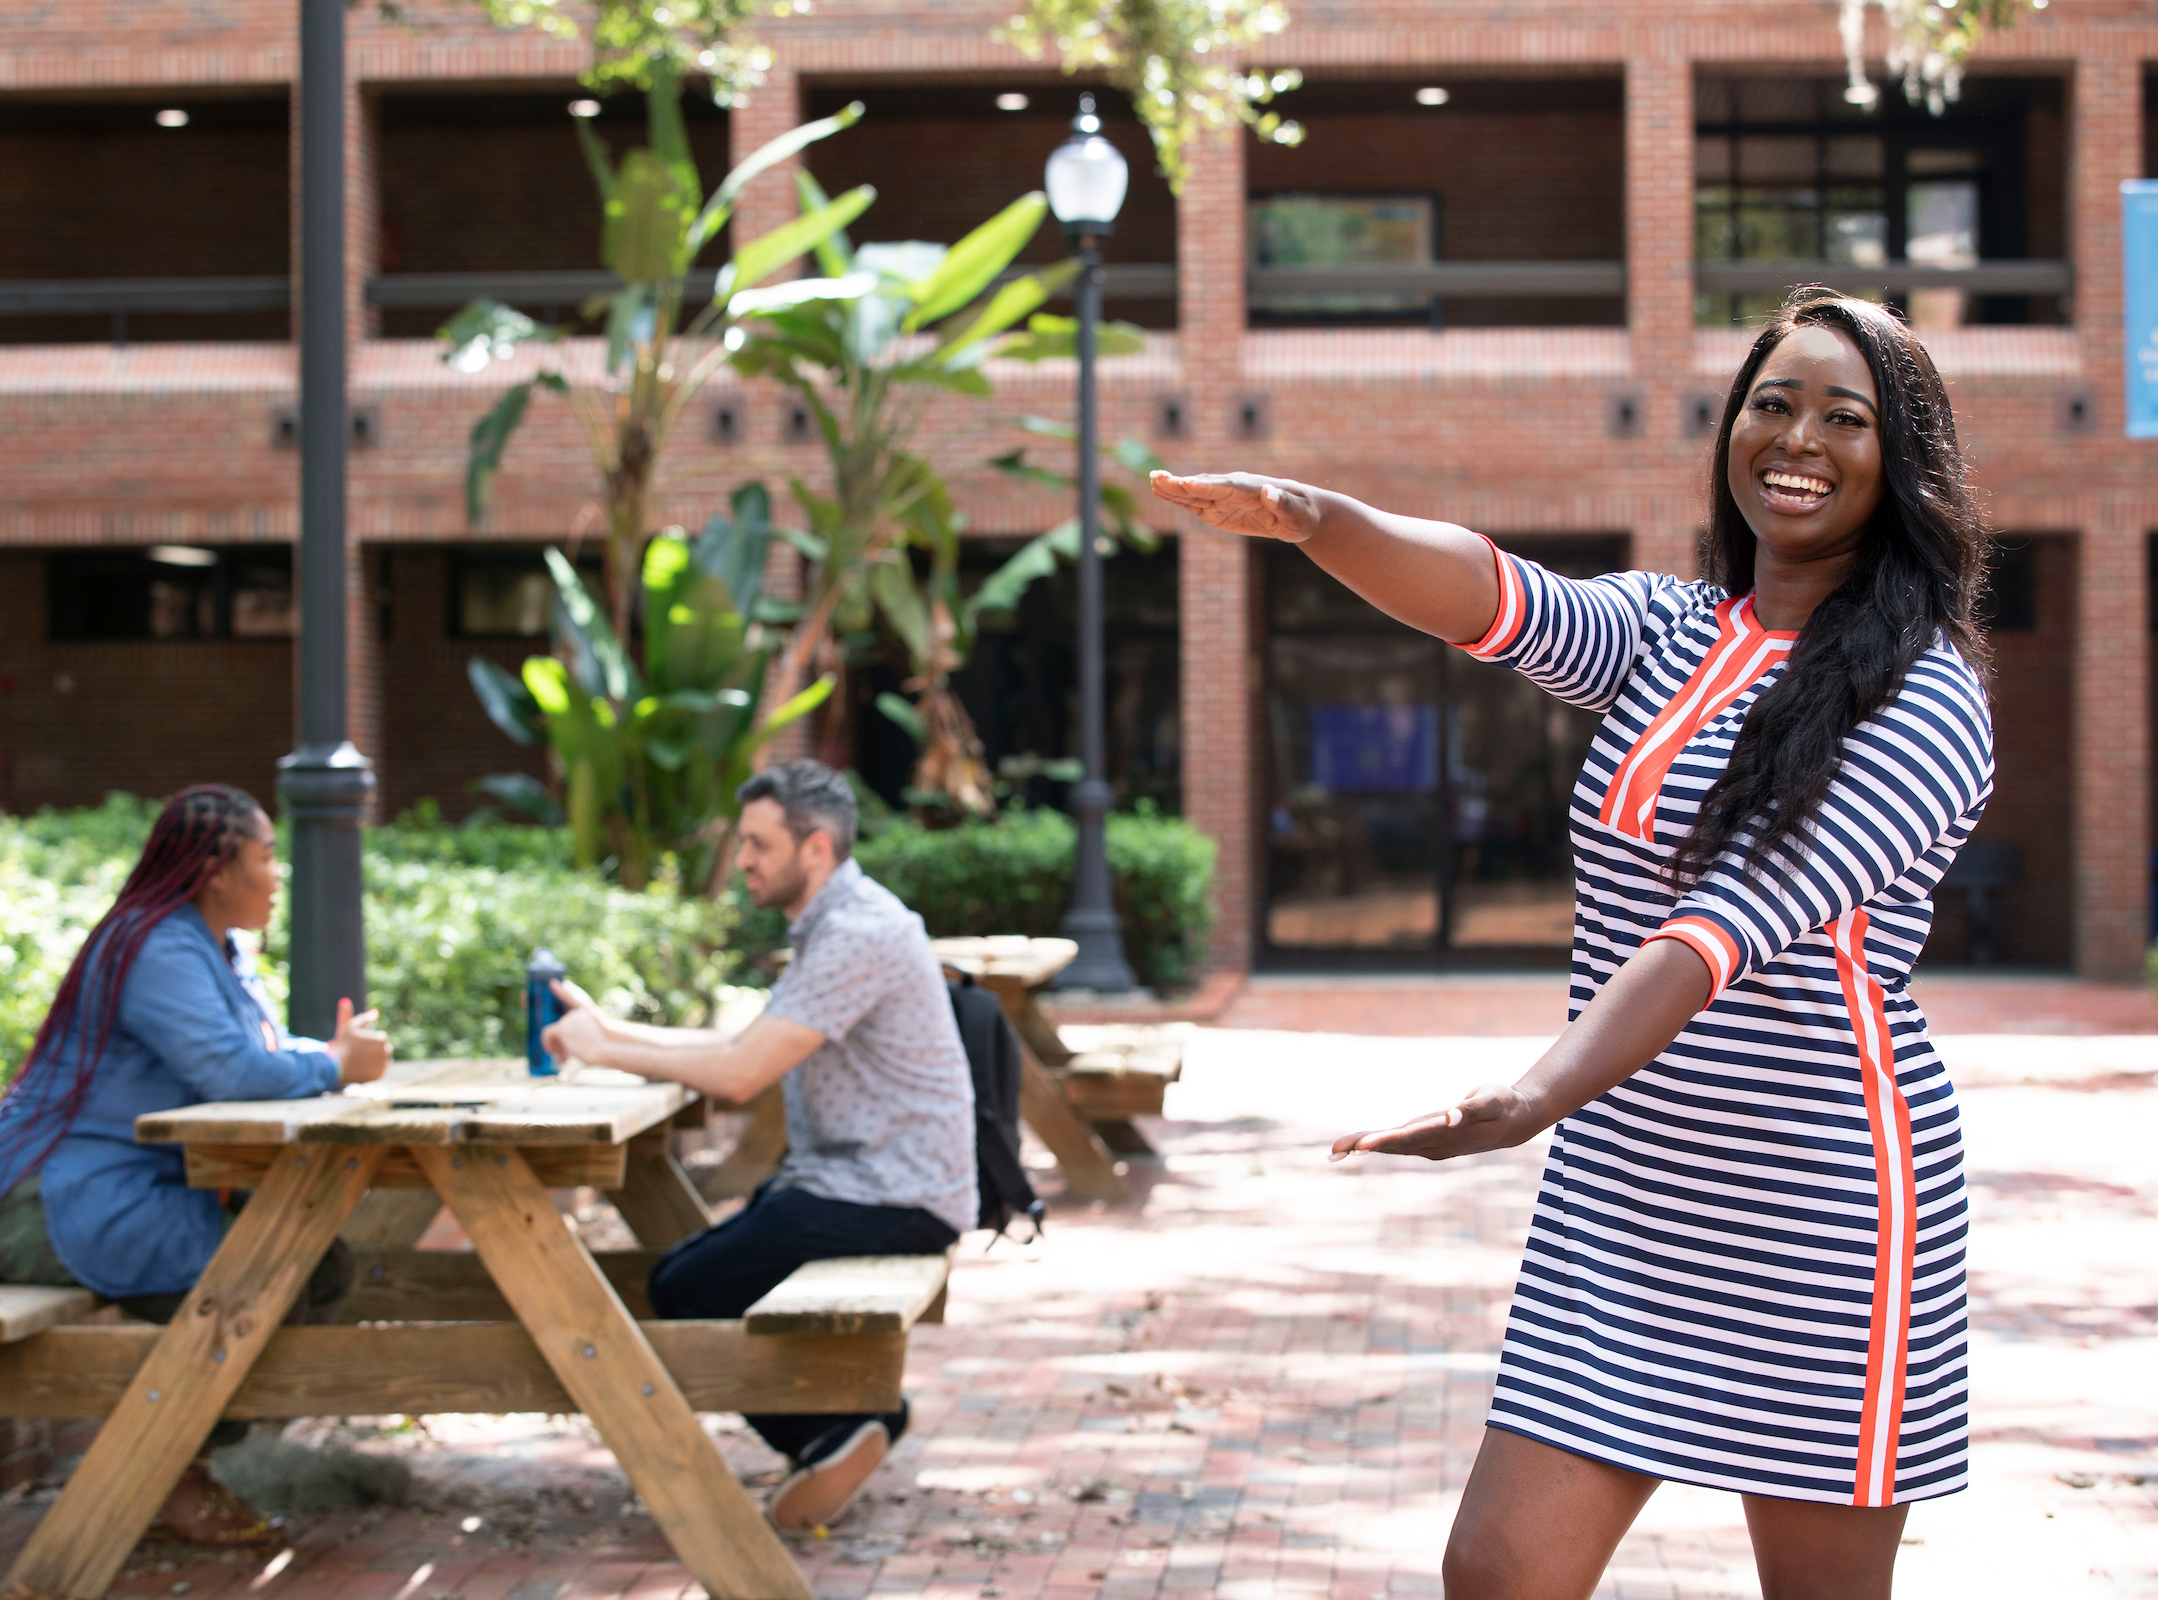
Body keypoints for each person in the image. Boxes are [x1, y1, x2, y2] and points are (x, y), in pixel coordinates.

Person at [1153, 289, 1993, 1600]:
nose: (1800, 438)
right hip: (1625, 1187)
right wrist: (1317, 519)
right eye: (1773, 402)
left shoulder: (1928, 694)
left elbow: (1725, 926)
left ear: (1903, 461)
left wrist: (1532, 1093)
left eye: (1848, 416)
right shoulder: (1671, 634)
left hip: (1820, 1209)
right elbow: (1496, 596)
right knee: (1497, 1571)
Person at [541, 760, 976, 1532]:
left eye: (758, 844)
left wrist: (606, 1051)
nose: (742, 860)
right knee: (684, 1271)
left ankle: (839, 1426)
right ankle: (852, 1419)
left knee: (686, 1286)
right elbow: (745, 1045)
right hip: (866, 1183)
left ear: (816, 849)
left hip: (894, 1195)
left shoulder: (856, 935)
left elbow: (740, 1074)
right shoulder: (836, 924)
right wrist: (604, 1030)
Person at [0, 784, 392, 1541]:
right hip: (51, 1201)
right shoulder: (155, 944)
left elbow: (263, 1050)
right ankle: (162, 1471)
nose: (278, 872)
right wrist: (336, 1064)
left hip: (127, 1190)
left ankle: (172, 1457)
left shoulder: (215, 943)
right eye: (266, 856)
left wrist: (327, 1057)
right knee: (266, 1275)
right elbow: (232, 1072)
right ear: (218, 869)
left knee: (316, 1266)